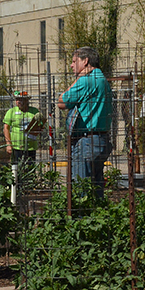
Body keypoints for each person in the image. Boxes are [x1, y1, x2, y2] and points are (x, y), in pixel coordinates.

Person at [57, 47, 113, 198]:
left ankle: (83, 219)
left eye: (75, 61)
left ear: (85, 61)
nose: (71, 65)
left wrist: (77, 80)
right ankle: (98, 216)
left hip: (87, 141)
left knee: (81, 188)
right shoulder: (102, 79)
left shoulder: (86, 81)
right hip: (101, 139)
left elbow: (62, 102)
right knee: (96, 186)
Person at [3, 90, 42, 164]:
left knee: (30, 169)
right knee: (17, 168)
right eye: (17, 99)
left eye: (21, 99)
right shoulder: (11, 112)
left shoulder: (34, 111)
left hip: (31, 147)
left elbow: (40, 125)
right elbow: (6, 128)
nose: (18, 102)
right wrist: (8, 144)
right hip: (16, 147)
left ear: (27, 100)